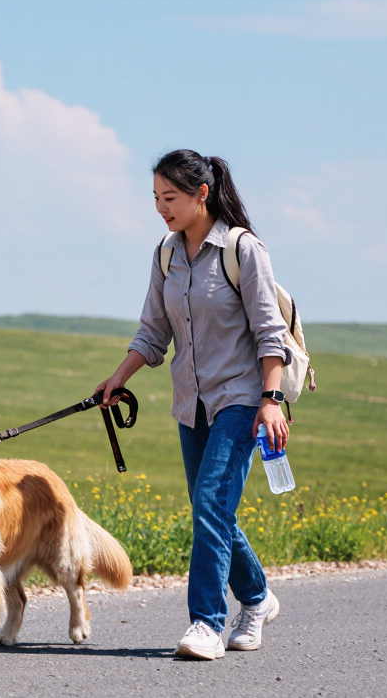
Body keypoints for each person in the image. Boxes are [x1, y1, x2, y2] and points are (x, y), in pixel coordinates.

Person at [96, 150, 290, 661]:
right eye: (156, 198)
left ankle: (206, 622)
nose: (162, 208)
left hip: (242, 399)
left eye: (171, 198)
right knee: (213, 509)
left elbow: (272, 334)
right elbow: (153, 331)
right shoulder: (166, 253)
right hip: (191, 403)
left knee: (209, 505)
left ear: (202, 194)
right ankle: (257, 597)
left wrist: (270, 400)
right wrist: (117, 377)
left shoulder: (243, 250)